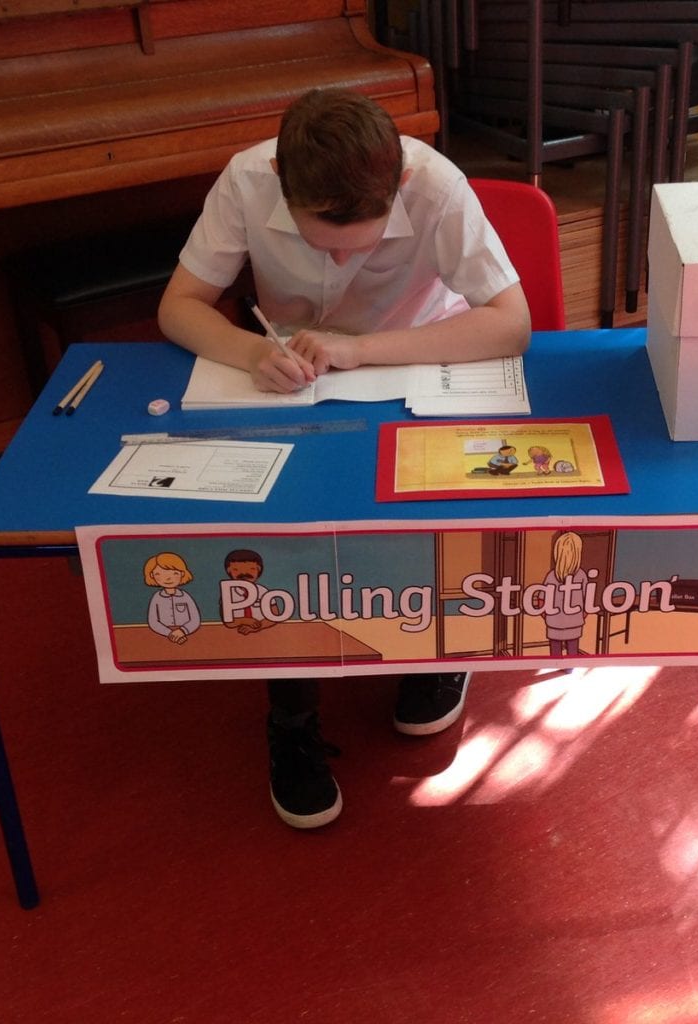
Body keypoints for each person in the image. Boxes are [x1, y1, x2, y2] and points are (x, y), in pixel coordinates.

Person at [158, 87, 532, 830]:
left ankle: (438, 648)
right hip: (295, 377)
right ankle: (292, 717)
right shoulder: (248, 178)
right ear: (283, 181)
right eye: (319, 241)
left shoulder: (434, 186)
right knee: (288, 531)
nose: (337, 259)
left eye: (359, 244)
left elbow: (510, 324)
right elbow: (180, 305)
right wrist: (251, 353)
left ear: (398, 183)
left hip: (417, 360)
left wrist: (362, 350)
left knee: (431, 507)